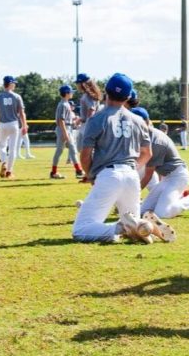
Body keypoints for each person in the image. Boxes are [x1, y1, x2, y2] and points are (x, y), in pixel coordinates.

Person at [72, 73, 174, 244]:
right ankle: (142, 227)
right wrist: (133, 168)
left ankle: (122, 227)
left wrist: (91, 175)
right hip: (131, 176)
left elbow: (85, 155)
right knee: (135, 231)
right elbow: (147, 153)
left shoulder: (97, 118)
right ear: (127, 97)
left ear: (106, 91)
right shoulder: (138, 120)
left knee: (81, 230)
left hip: (109, 175)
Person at [132, 107, 189, 218]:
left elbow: (148, 175)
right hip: (168, 177)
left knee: (162, 213)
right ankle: (183, 195)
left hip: (178, 176)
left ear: (144, 122)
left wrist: (133, 194)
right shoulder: (146, 135)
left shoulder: (155, 142)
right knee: (142, 211)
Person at [0, 76, 28, 180]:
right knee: (12, 149)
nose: (15, 85)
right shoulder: (17, 96)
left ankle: (4, 162)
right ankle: (9, 171)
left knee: (2, 146)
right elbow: (21, 113)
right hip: (13, 124)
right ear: (11, 84)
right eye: (14, 83)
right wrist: (24, 125)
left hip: (2, 124)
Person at [50, 85, 84, 179]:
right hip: (64, 129)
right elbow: (61, 120)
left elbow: (66, 119)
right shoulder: (63, 104)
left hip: (67, 128)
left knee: (69, 150)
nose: (72, 93)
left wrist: (74, 121)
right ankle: (78, 171)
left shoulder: (66, 103)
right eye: (71, 92)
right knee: (64, 150)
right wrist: (65, 133)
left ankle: (78, 171)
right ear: (66, 93)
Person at [74, 73, 101, 150]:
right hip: (91, 127)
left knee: (84, 151)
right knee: (84, 150)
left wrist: (89, 129)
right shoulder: (91, 95)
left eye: (78, 83)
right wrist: (81, 119)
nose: (77, 85)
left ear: (83, 84)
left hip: (87, 128)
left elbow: (91, 111)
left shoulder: (87, 96)